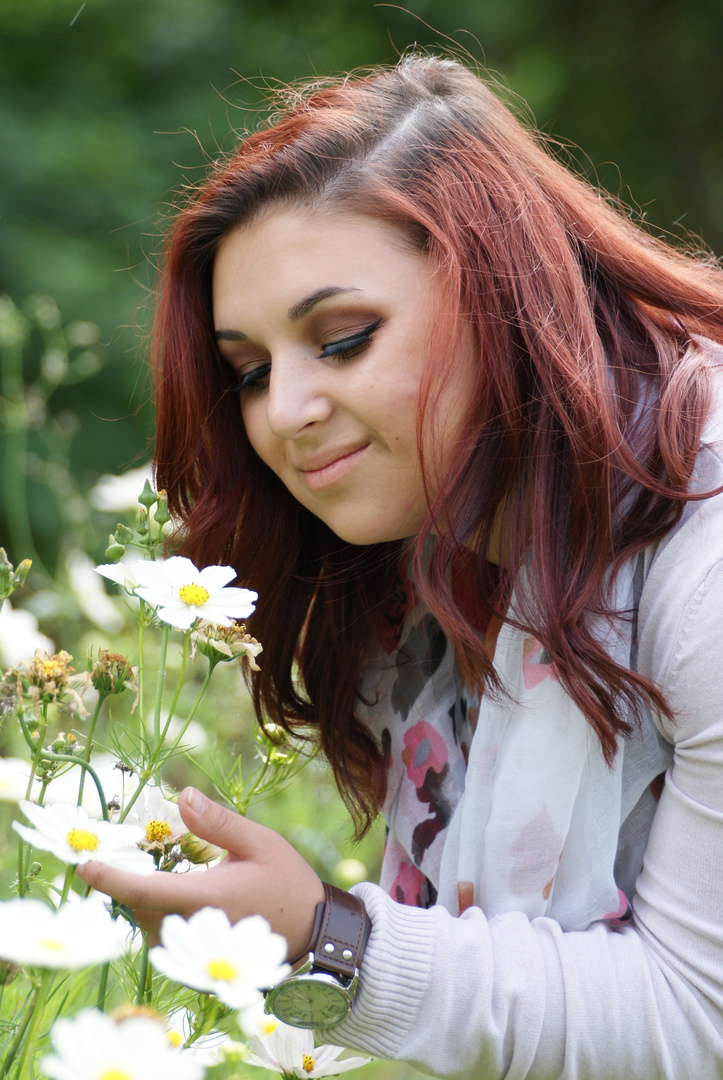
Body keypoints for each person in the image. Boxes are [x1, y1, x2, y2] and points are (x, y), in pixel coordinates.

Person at [77, 54, 723, 1077]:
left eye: (343, 339)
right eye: (250, 371)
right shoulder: (425, 569)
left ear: (501, 293)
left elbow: (699, 1022)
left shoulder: (709, 556)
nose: (283, 413)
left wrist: (329, 940)